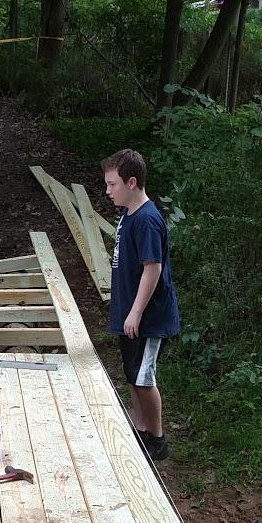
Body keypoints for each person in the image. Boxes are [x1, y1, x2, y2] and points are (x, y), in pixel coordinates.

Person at [103, 148, 180, 463]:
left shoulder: (147, 219)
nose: (108, 191)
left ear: (131, 182)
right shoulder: (127, 213)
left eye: (112, 185)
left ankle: (158, 439)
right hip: (129, 313)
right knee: (132, 372)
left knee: (144, 377)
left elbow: (153, 268)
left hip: (148, 317)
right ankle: (141, 429)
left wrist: (135, 312)